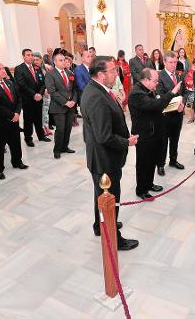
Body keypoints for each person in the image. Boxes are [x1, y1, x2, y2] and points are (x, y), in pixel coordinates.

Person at [80, 56, 139, 250]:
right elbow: (104, 136)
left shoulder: (98, 89)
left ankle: (100, 225)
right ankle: (114, 237)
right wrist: (126, 142)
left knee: (101, 195)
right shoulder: (97, 97)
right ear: (101, 75)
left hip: (103, 157)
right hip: (105, 159)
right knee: (111, 197)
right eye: (113, 70)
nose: (117, 73)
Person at [129, 68, 181, 199]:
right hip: (144, 134)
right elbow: (155, 105)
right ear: (145, 80)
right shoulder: (137, 93)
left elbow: (158, 105)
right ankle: (141, 190)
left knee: (152, 160)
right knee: (143, 163)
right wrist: (172, 93)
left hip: (154, 132)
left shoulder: (149, 89)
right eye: (155, 81)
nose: (157, 83)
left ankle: (149, 183)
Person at [156, 52, 186, 176]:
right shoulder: (160, 76)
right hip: (165, 115)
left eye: (175, 62)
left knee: (175, 139)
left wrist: (183, 104)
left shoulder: (178, 76)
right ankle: (160, 165)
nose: (174, 65)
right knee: (163, 141)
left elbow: (184, 92)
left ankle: (173, 160)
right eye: (171, 62)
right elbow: (161, 96)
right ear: (164, 62)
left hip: (178, 115)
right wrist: (175, 105)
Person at [14, 48, 50, 147]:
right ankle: (28, 138)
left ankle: (41, 135)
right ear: (23, 57)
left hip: (39, 97)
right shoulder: (19, 68)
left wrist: (40, 93)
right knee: (28, 119)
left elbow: (43, 82)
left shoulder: (37, 67)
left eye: (31, 55)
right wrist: (34, 94)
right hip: (27, 98)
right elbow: (22, 84)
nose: (31, 57)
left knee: (39, 118)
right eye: (28, 55)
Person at [45, 54, 78, 159]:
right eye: (61, 60)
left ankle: (65, 147)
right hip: (58, 107)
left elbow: (74, 89)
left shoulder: (70, 73)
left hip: (70, 106)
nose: (64, 62)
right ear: (55, 62)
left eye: (64, 60)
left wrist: (73, 100)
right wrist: (65, 102)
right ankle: (57, 149)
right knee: (60, 129)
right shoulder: (50, 74)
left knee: (68, 128)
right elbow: (52, 91)